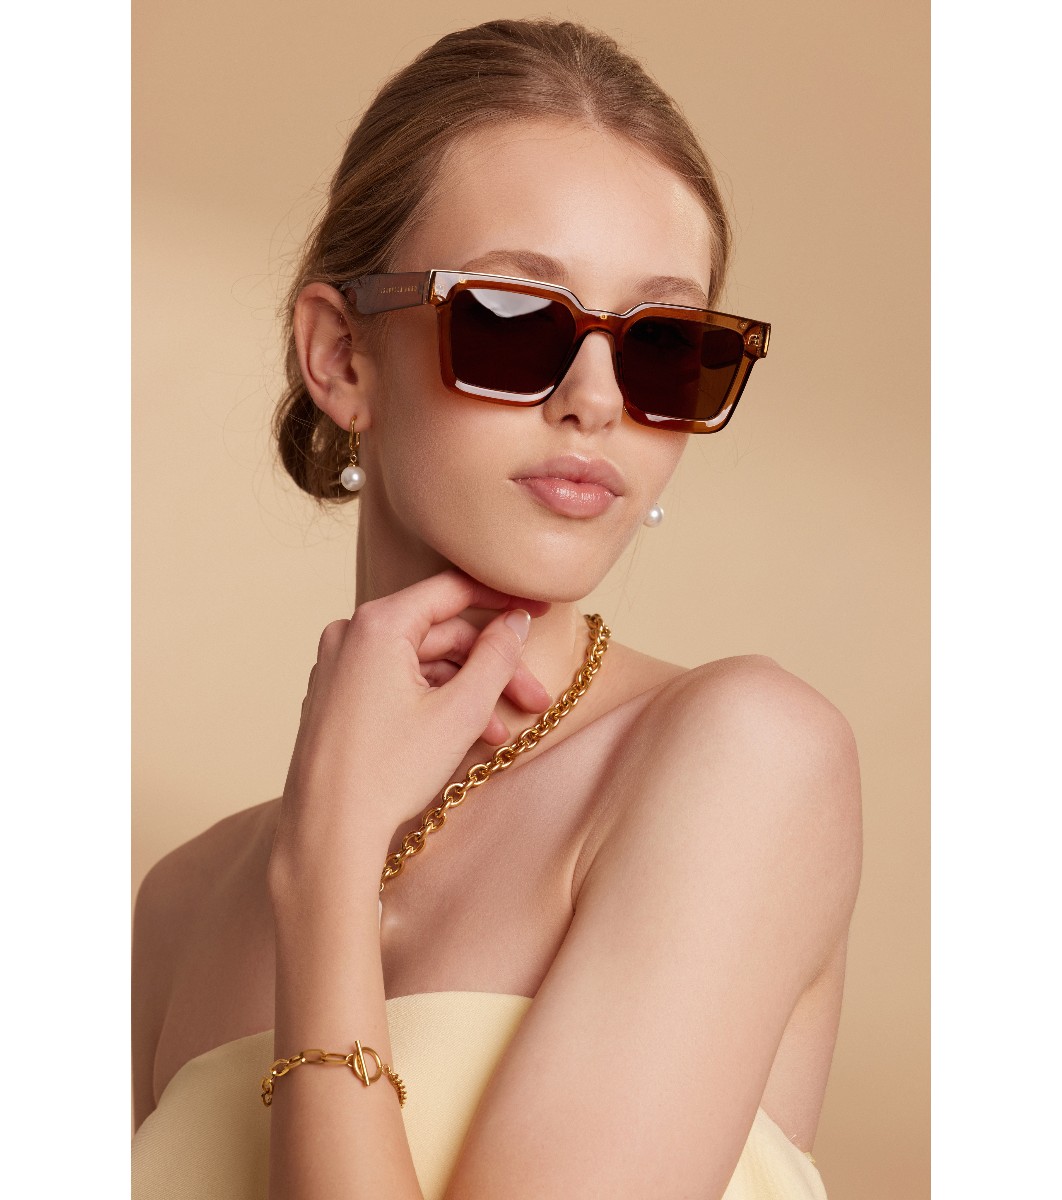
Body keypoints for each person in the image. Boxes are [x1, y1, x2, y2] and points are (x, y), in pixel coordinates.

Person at [131, 17, 861, 1200]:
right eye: (513, 321)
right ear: (341, 358)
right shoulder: (176, 908)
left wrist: (326, 877)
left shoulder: (746, 759)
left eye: (664, 348)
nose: (597, 401)